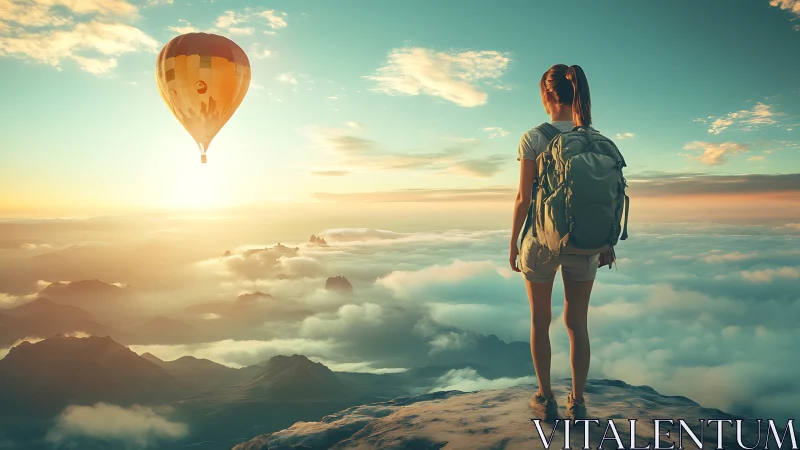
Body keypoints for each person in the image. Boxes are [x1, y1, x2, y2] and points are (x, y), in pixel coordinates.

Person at [509, 64, 596, 422]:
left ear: (547, 95)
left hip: (540, 243)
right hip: (585, 242)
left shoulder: (533, 138)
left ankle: (545, 398)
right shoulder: (594, 138)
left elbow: (523, 198)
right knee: (578, 324)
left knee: (540, 321)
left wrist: (513, 242)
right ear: (576, 94)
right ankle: (578, 401)